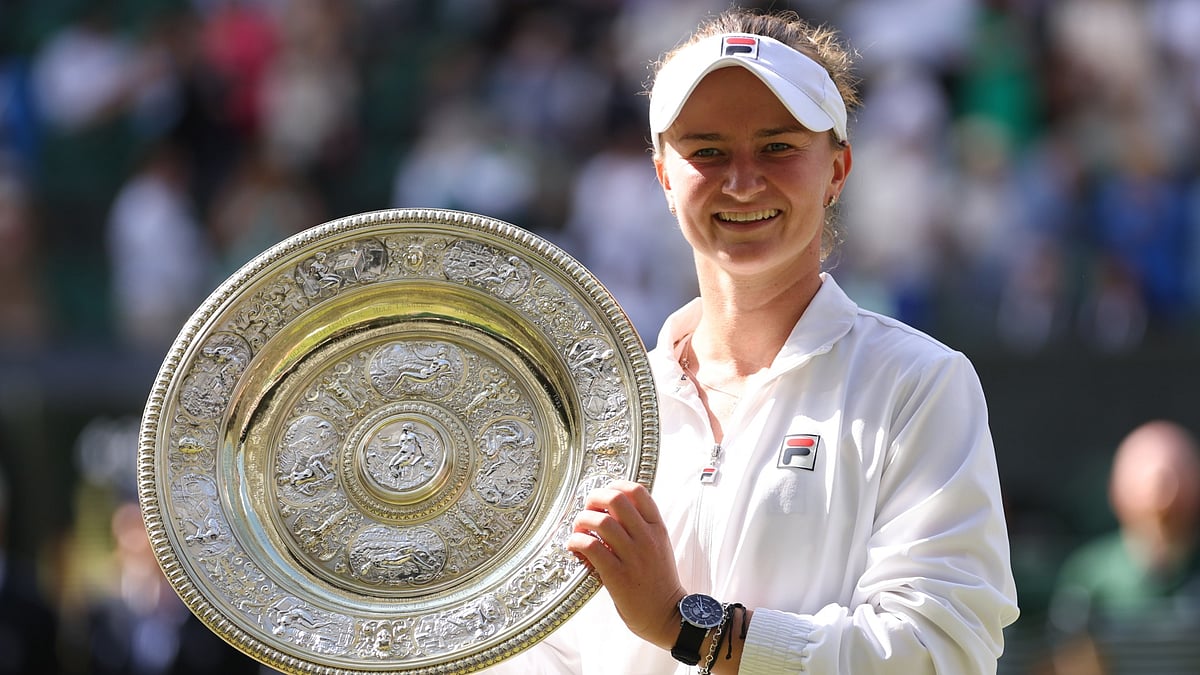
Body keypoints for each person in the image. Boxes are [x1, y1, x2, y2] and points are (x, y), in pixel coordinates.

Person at [482, 8, 1018, 675]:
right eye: (706, 150)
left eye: (777, 146)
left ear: (838, 169)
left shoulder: (922, 384)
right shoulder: (600, 415)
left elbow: (942, 651)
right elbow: (540, 653)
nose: (741, 180)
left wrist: (689, 626)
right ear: (662, 175)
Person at [1047, 420, 1200, 674]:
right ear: (1116, 490)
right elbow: (1069, 657)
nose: (1164, 490)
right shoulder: (1090, 573)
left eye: (1179, 471)